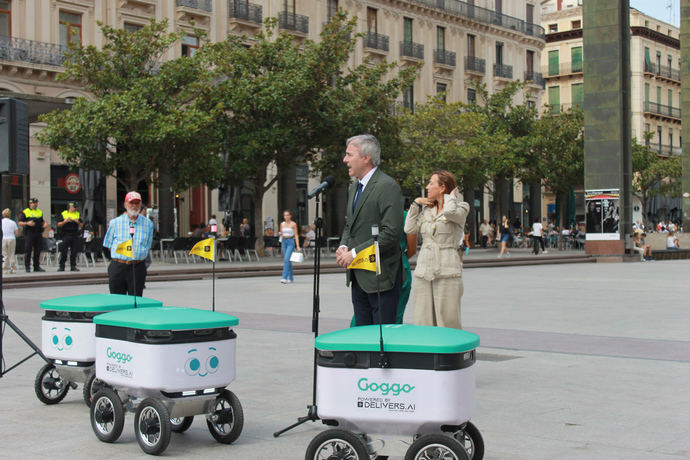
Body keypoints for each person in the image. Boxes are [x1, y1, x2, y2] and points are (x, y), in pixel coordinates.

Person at [336, 134, 403, 326]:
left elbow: (390, 233)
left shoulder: (387, 186)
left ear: (366, 157)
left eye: (349, 155)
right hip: (359, 275)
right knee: (362, 336)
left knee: (382, 339)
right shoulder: (355, 187)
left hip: (381, 279)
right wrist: (343, 246)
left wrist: (354, 253)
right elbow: (351, 225)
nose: (345, 160)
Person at [404, 170, 469, 329]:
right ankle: (426, 352)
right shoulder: (428, 210)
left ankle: (450, 353)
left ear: (442, 187)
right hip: (424, 269)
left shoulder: (461, 207)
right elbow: (409, 228)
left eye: (431, 183)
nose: (427, 187)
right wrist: (415, 205)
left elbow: (449, 212)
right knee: (422, 319)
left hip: (447, 269)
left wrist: (450, 197)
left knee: (448, 319)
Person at [103, 191, 154, 296]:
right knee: (117, 301)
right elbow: (108, 245)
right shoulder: (115, 223)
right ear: (125, 204)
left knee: (136, 300)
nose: (134, 206)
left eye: (137, 203)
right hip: (118, 266)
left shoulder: (148, 224)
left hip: (137, 267)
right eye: (131, 203)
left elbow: (147, 245)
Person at [18, 197, 48, 273]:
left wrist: (45, 224)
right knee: (28, 250)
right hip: (29, 233)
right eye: (34, 203)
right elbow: (20, 222)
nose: (36, 204)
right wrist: (27, 223)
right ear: (30, 203)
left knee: (38, 250)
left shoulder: (39, 212)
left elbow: (42, 221)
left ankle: (36, 266)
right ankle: (27, 267)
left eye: (36, 203)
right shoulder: (25, 212)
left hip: (38, 233)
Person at [57, 202, 83, 272]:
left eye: (76, 207)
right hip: (66, 235)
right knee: (64, 251)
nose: (76, 208)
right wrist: (65, 221)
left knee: (74, 251)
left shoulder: (77, 214)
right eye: (74, 207)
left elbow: (82, 225)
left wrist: (78, 222)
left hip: (75, 235)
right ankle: (61, 266)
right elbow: (58, 224)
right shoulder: (64, 213)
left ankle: (73, 266)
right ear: (70, 207)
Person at [279, 209, 300, 284]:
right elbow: (281, 233)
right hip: (284, 241)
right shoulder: (282, 224)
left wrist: (297, 245)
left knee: (286, 259)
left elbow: (296, 235)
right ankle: (290, 278)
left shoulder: (293, 224)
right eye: (285, 215)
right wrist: (280, 234)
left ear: (290, 216)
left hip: (291, 241)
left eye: (288, 215)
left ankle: (284, 277)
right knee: (288, 260)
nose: (286, 217)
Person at [2, 208, 19, 274]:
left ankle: (5, 269)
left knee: (4, 255)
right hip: (11, 239)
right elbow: (16, 233)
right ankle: (13, 268)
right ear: (10, 215)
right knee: (11, 254)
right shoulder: (13, 222)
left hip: (3, 238)